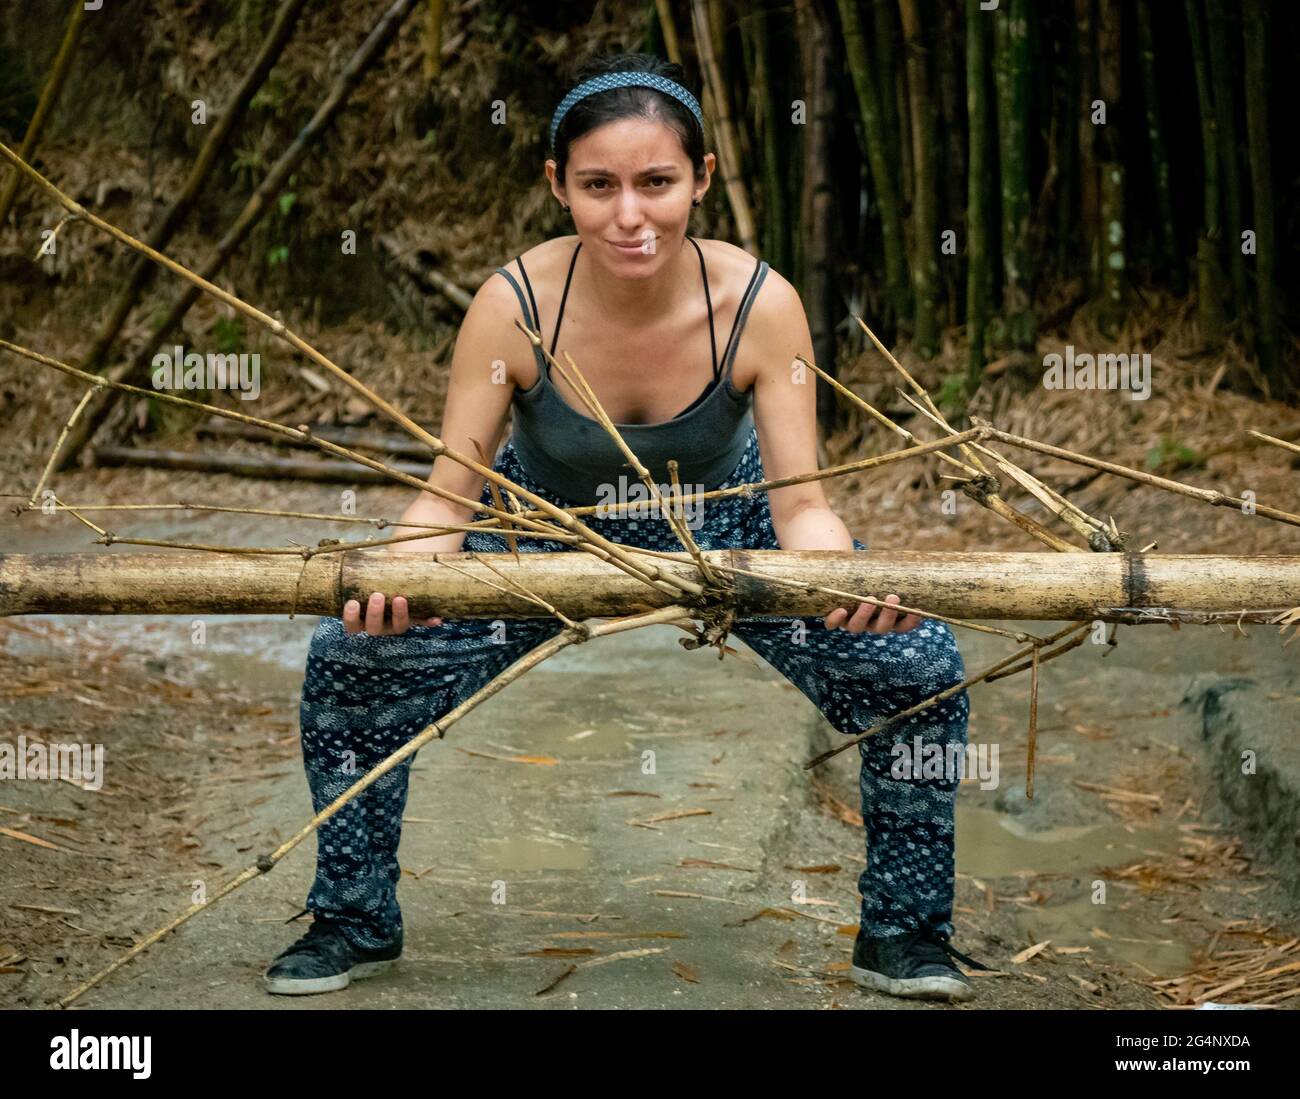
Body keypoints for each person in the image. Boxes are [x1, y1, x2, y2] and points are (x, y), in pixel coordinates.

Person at [263, 53, 979, 1002]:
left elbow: (802, 504)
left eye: (657, 183)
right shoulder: (511, 307)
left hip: (725, 519)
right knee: (348, 660)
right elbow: (449, 494)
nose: (629, 216)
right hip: (543, 521)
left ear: (704, 180)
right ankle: (353, 918)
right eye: (599, 185)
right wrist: (402, 577)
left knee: (918, 667)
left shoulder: (762, 305)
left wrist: (841, 575)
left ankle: (904, 932)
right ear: (557, 184)